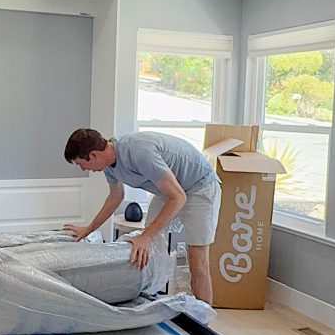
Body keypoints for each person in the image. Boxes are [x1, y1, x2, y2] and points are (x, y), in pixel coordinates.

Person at [63, 128, 221, 305]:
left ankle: (204, 322)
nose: (84, 168)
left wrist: (146, 237)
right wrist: (88, 229)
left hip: (199, 187)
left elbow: (178, 197)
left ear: (93, 155)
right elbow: (116, 197)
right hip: (168, 192)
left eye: (81, 164)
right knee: (149, 248)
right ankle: (149, 299)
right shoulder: (109, 167)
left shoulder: (139, 151)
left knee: (197, 259)